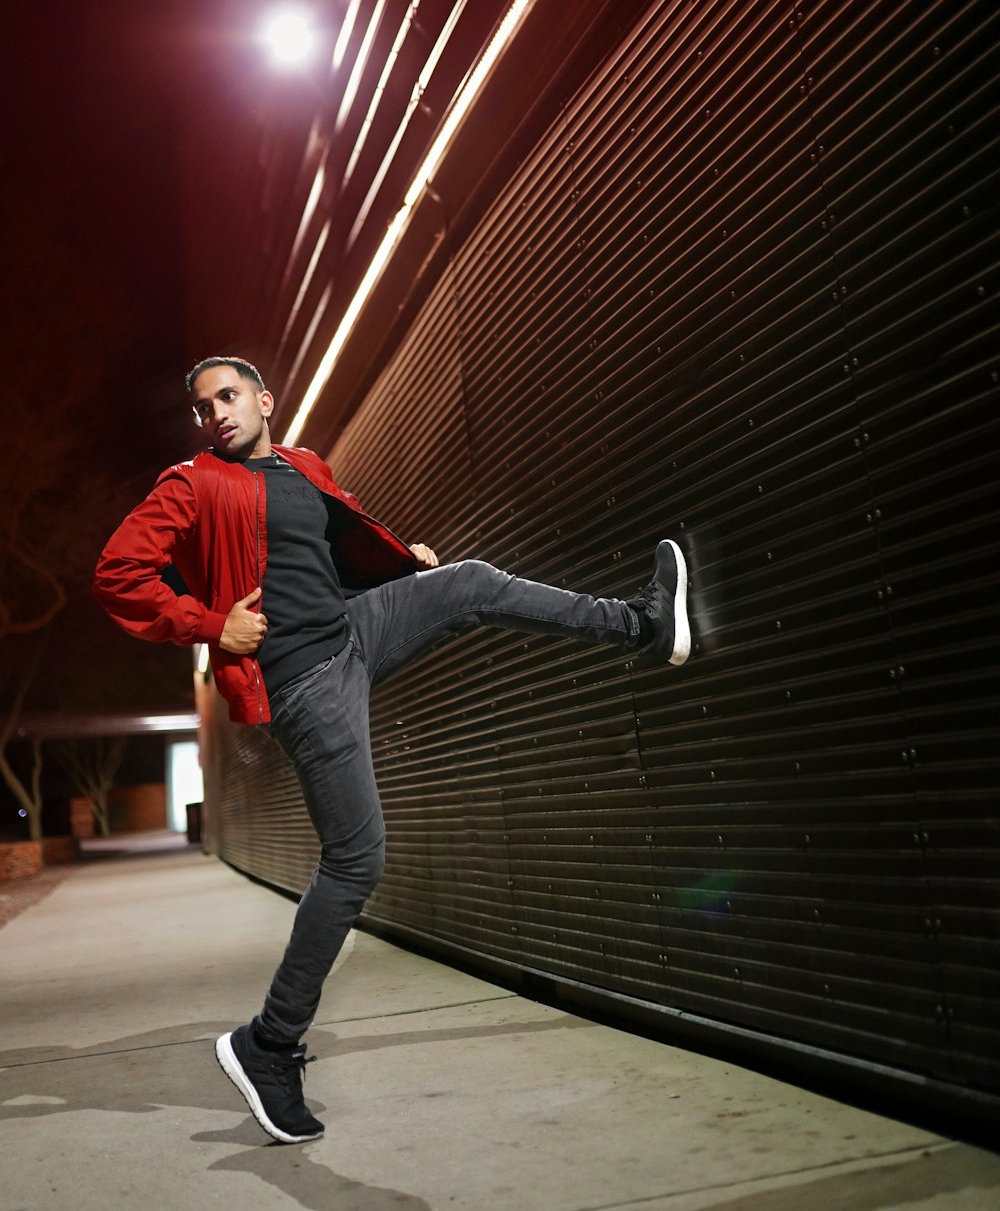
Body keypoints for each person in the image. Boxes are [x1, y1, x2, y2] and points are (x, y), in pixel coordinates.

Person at [93, 356, 691, 1144]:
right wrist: (211, 626)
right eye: (203, 408)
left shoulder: (305, 467)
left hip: (356, 631)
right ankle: (266, 1045)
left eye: (229, 397)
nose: (217, 415)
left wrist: (404, 570)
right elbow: (118, 573)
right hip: (302, 681)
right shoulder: (193, 483)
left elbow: (328, 561)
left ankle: (642, 628)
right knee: (357, 857)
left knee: (470, 581)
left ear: (265, 400)